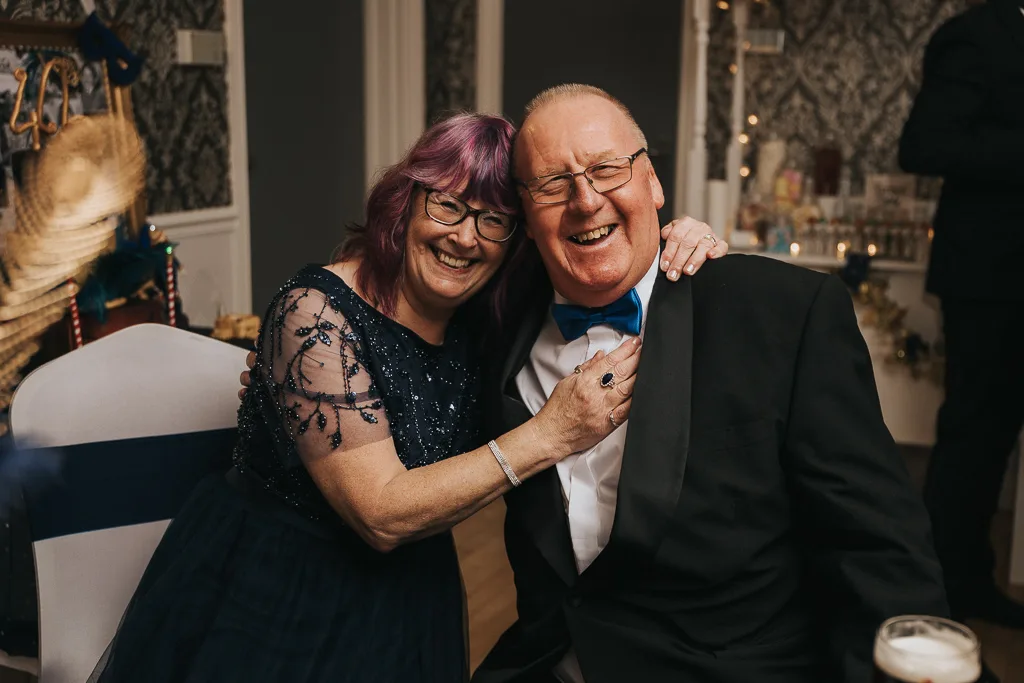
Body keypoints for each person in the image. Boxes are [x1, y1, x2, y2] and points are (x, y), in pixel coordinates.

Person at [92, 112, 725, 683]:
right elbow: (382, 515)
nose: (465, 236)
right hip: (278, 591)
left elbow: (594, 246)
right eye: (446, 206)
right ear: (406, 202)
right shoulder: (314, 312)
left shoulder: (486, 320)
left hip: (409, 594)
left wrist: (683, 237)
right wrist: (550, 433)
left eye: (493, 220)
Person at [468, 84, 948, 683]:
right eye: (552, 185)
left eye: (607, 169)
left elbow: (878, 548)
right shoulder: (492, 327)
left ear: (654, 184)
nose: (586, 200)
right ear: (524, 215)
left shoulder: (781, 315)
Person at [899, 0, 1024, 629]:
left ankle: (968, 575)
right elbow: (922, 145)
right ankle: (947, 585)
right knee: (975, 434)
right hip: (993, 276)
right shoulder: (975, 35)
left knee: (995, 438)